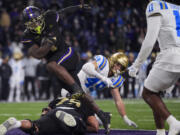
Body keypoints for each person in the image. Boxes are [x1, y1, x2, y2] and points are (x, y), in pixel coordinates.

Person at [21, 4, 111, 133]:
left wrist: (79, 6)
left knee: (50, 65)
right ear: (27, 25)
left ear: (41, 16)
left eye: (37, 20)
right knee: (92, 124)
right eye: (32, 22)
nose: (36, 24)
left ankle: (75, 92)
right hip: (59, 67)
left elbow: (64, 12)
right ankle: (102, 114)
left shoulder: (50, 16)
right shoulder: (26, 37)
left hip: (67, 54)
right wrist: (49, 43)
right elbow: (37, 54)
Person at [128, 0, 180, 135]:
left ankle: (174, 123)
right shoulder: (177, 7)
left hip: (171, 54)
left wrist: (136, 65)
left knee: (147, 93)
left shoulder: (155, 5)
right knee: (155, 92)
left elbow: (149, 40)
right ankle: (160, 132)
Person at [78, 52, 138, 128]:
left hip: (85, 97)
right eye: (118, 64)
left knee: (96, 125)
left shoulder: (115, 79)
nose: (118, 68)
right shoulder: (103, 63)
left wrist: (125, 117)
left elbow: (118, 100)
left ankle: (77, 125)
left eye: (121, 67)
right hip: (73, 87)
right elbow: (85, 67)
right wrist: (102, 78)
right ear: (113, 60)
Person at [0, 96, 98, 135]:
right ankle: (74, 123)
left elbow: (45, 112)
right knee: (79, 126)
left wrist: (43, 118)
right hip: (72, 113)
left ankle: (17, 123)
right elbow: (95, 127)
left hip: (53, 112)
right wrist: (85, 126)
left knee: (35, 127)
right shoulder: (85, 103)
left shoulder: (58, 99)